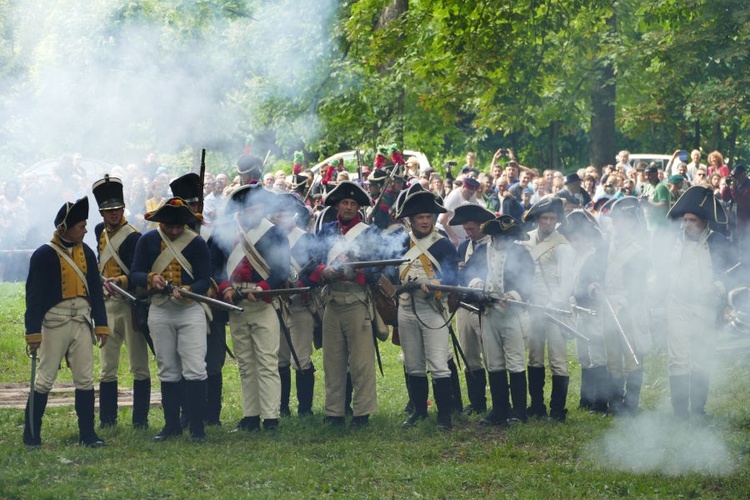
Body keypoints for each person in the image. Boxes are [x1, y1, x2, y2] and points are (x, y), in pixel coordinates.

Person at [23, 197, 109, 447]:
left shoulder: (87, 253)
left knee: (85, 379)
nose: (84, 230)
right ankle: (31, 435)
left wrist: (101, 324)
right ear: (64, 229)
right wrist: (33, 333)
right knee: (44, 379)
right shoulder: (43, 255)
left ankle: (87, 435)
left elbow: (95, 290)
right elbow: (34, 297)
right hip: (54, 323)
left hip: (82, 321)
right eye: (80, 226)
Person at [211, 184, 290, 432]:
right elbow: (216, 266)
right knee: (245, 362)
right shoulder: (225, 233)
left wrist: (263, 287)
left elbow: (282, 269)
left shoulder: (274, 233)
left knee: (267, 361)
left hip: (263, 302)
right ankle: (251, 415)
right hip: (236, 303)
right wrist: (225, 288)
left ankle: (270, 417)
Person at [131, 197, 211, 442]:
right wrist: (151, 277)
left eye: (179, 227)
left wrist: (188, 289)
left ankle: (197, 427)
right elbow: (135, 272)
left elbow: (204, 279)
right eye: (170, 226)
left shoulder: (196, 243)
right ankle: (172, 425)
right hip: (160, 308)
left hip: (189, 310)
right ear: (161, 223)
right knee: (167, 368)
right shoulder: (147, 241)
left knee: (195, 368)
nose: (175, 230)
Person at [309, 181, 383, 427]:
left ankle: (361, 413)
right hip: (332, 299)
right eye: (345, 203)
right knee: (333, 361)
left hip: (357, 299)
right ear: (337, 205)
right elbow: (312, 262)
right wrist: (324, 270)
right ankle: (334, 412)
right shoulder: (327, 231)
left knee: (361, 362)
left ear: (358, 207)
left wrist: (355, 273)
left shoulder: (369, 232)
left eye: (353, 203)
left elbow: (377, 269)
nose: (349, 207)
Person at [393, 190, 459, 430]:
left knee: (439, 364)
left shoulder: (443, 245)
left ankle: (444, 416)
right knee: (413, 363)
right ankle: (419, 411)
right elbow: (389, 271)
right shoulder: (401, 243)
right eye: (419, 217)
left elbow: (453, 278)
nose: (424, 221)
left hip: (432, 308)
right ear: (411, 219)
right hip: (406, 307)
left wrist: (435, 285)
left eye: (428, 216)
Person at [665, 186, 733, 419]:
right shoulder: (674, 242)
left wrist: (717, 287)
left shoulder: (719, 242)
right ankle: (680, 413)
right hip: (678, 304)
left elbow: (733, 272)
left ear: (704, 221)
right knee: (678, 358)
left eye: (692, 220)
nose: (687, 225)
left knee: (701, 359)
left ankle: (698, 410)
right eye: (685, 220)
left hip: (705, 307)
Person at [462, 215, 533, 426]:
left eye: (506, 237)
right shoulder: (482, 251)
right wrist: (477, 284)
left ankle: (519, 411)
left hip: (512, 315)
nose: (501, 241)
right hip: (488, 313)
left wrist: (514, 295)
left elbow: (528, 280)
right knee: (493, 362)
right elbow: (467, 274)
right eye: (498, 237)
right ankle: (500, 409)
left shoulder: (521, 253)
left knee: (516, 362)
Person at [92, 176, 151, 429]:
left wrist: (123, 281)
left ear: (123, 209)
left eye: (116, 209)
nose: (113, 214)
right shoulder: (98, 231)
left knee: (139, 365)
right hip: (107, 304)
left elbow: (139, 271)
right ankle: (107, 419)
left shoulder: (134, 236)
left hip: (129, 304)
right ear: (102, 213)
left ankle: (140, 420)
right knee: (107, 366)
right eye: (108, 210)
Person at [521, 198, 575, 421]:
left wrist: (553, 305)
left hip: (555, 310)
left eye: (552, 218)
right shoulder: (526, 242)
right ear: (538, 219)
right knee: (534, 357)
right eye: (544, 217)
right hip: (533, 307)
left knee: (557, 360)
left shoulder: (563, 246)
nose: (548, 222)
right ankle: (536, 405)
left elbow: (567, 283)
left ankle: (557, 409)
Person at [269, 192, 318, 418]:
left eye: (285, 214)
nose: (281, 218)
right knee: (279, 358)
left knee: (301, 358)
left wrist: (299, 286)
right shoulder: (269, 239)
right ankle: (282, 407)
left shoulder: (305, 239)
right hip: (277, 304)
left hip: (300, 304)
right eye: (278, 214)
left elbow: (314, 273)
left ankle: (305, 409)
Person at [600, 197, 649, 416]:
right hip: (608, 305)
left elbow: (639, 286)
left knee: (632, 358)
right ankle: (615, 403)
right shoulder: (608, 244)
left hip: (630, 308)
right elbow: (599, 272)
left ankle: (631, 405)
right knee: (612, 357)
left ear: (630, 222)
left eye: (619, 220)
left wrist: (624, 302)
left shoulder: (639, 250)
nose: (615, 224)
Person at [558, 210, 609, 413]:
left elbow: (594, 282)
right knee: (584, 356)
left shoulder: (596, 257)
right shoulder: (575, 257)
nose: (573, 242)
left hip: (594, 310)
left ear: (587, 237)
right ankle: (586, 399)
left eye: (577, 238)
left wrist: (591, 290)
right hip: (579, 310)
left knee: (597, 355)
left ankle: (600, 402)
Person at [449, 204, 496, 415]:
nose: (469, 233)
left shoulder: (492, 247)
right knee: (469, 355)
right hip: (463, 306)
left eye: (472, 229)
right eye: (466, 230)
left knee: (491, 356)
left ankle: (498, 402)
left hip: (483, 306)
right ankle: (477, 402)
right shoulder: (463, 247)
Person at [439, 177, 483, 246]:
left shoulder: (472, 196)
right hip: (445, 231)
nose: (470, 196)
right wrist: (453, 238)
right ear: (463, 187)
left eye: (472, 193)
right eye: (468, 192)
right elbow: (443, 219)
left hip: (460, 234)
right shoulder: (454, 197)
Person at [722, 165, 750, 263]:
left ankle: (743, 267)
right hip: (733, 221)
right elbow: (725, 198)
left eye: (736, 175)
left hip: (744, 224)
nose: (734, 178)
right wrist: (727, 186)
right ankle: (734, 266)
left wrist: (733, 188)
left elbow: (742, 201)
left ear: (743, 174)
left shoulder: (748, 186)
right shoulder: (735, 184)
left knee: (743, 248)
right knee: (733, 246)